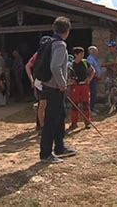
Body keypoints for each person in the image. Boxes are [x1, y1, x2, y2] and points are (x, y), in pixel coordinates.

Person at [39, 16, 78, 164]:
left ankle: (60, 147)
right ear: (67, 31)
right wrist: (62, 83)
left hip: (48, 85)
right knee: (51, 120)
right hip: (54, 87)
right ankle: (46, 154)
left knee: (60, 116)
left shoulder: (49, 42)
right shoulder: (60, 45)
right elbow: (55, 66)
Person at [67, 47, 96, 131]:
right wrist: (70, 81)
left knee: (86, 104)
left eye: (83, 53)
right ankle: (74, 123)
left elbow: (93, 70)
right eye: (81, 54)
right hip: (75, 87)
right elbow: (67, 76)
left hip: (84, 86)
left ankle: (87, 122)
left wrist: (89, 79)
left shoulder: (85, 62)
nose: (82, 55)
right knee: (75, 105)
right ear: (76, 55)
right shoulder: (71, 65)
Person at [102, 40, 117, 112]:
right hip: (109, 74)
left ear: (114, 47)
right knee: (107, 91)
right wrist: (111, 64)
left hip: (116, 75)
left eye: (111, 46)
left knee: (116, 91)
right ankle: (108, 105)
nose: (110, 48)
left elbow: (116, 62)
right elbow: (103, 64)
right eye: (109, 47)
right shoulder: (108, 55)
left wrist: (108, 64)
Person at [86, 46, 101, 112]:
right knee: (92, 93)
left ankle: (92, 108)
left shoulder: (94, 58)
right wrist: (93, 76)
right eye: (96, 51)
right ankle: (90, 109)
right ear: (93, 51)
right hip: (92, 79)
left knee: (94, 93)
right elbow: (90, 69)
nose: (97, 52)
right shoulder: (90, 59)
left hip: (95, 78)